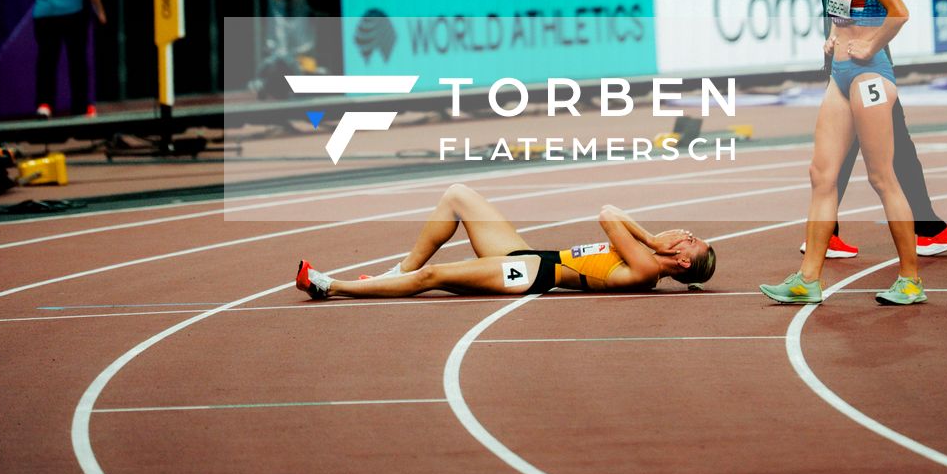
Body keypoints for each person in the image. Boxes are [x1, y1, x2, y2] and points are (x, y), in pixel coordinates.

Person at [761, 0, 925, 308]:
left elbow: (899, 12)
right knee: (821, 174)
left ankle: (910, 278)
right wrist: (834, 37)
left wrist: (869, 46)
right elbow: (841, 13)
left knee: (881, 177)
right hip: (841, 75)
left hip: (871, 78)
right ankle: (808, 279)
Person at [804, 0, 947, 264]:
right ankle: (922, 235)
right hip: (858, 72)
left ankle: (909, 244)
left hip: (860, 73)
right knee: (873, 169)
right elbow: (892, 14)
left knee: (866, 163)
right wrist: (856, 46)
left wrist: (851, 47)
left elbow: (856, 14)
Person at [295, 183, 716, 300]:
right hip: (528, 256)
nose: (683, 232)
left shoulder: (645, 269)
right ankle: (395, 273)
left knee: (435, 275)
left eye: (690, 240)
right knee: (458, 195)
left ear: (680, 262)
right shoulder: (648, 252)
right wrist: (654, 239)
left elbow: (607, 215)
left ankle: (330, 286)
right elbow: (614, 211)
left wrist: (652, 242)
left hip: (530, 274)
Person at [27, 0, 106, 118]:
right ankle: (81, 107)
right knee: (77, 60)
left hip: (45, 13)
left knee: (46, 61)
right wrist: (99, 9)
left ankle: (44, 105)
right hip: (74, 12)